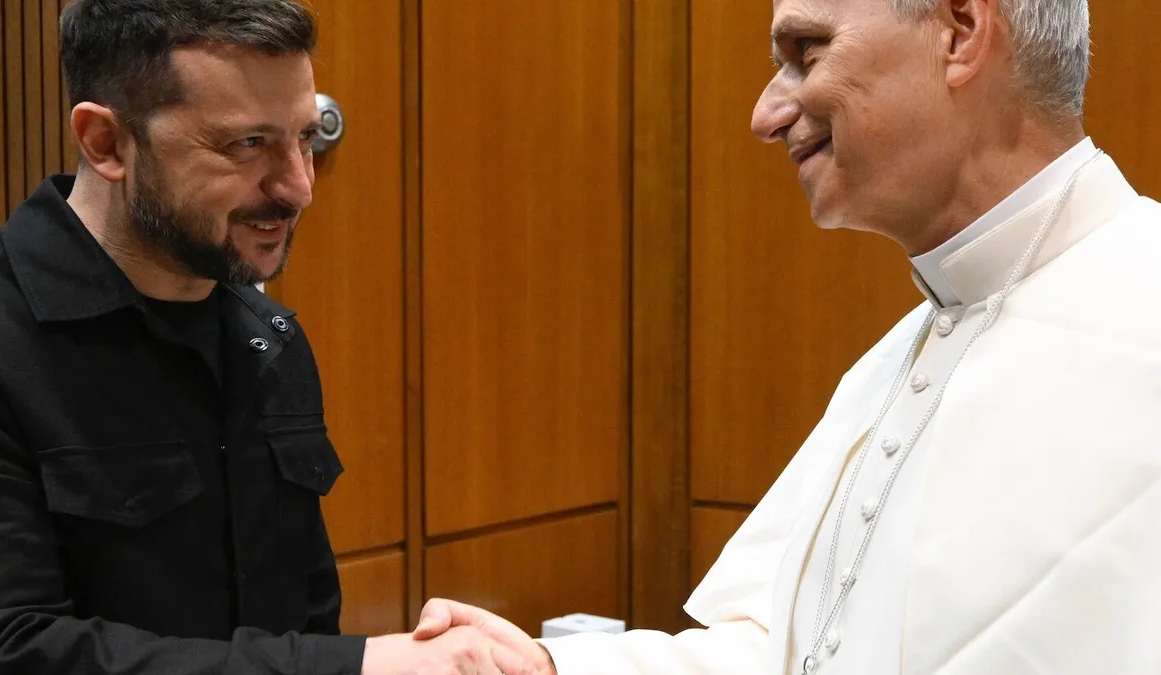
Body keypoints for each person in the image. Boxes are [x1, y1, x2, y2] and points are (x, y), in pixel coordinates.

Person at [412, 0, 1161, 672]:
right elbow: (788, 649)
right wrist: (549, 667)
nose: (766, 115)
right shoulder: (897, 358)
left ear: (960, 32)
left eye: (808, 52)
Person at [0, 1, 524, 674]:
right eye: (247, 144)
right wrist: (358, 667)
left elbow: (303, 626)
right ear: (106, 143)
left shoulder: (269, 338)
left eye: (304, 138)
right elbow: (1, 649)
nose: (298, 187)